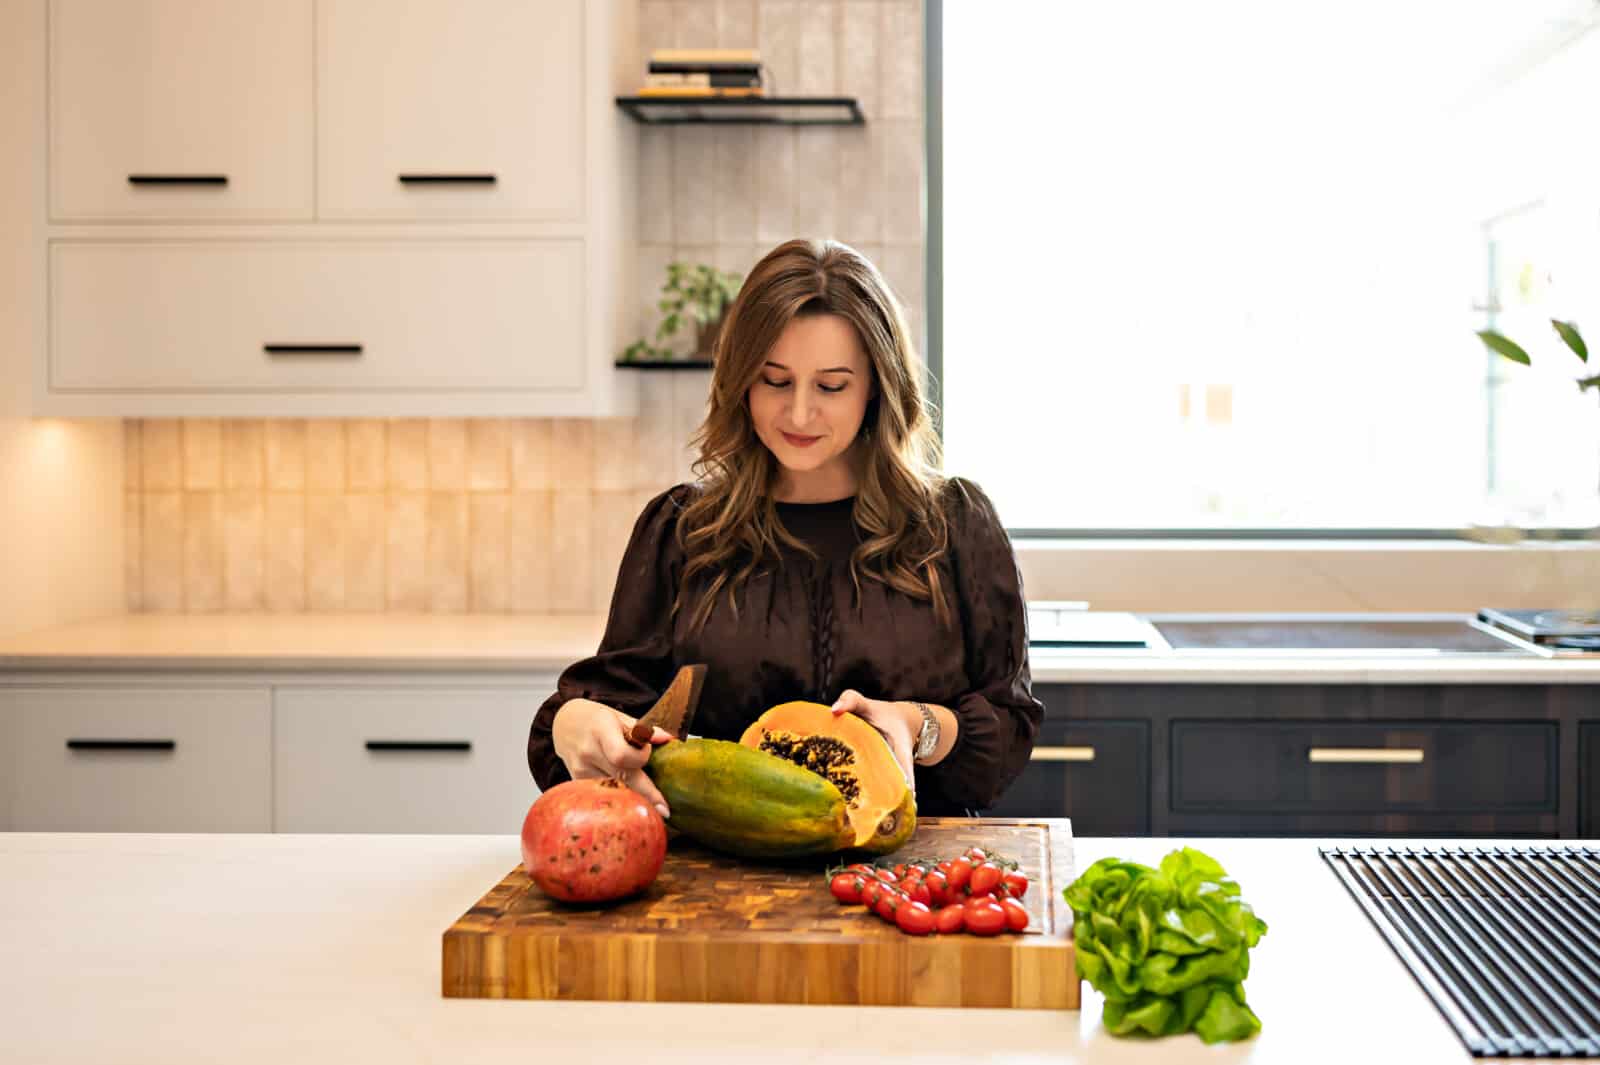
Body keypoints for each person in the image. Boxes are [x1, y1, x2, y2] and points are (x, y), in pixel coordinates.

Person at [527, 238, 1043, 818]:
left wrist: (916, 726)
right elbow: (601, 710)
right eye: (774, 381)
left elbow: (1008, 726)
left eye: (831, 385)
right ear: (740, 381)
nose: (799, 414)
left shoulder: (957, 527)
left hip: (913, 882)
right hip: (718, 885)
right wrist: (573, 725)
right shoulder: (679, 530)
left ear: (876, 384)